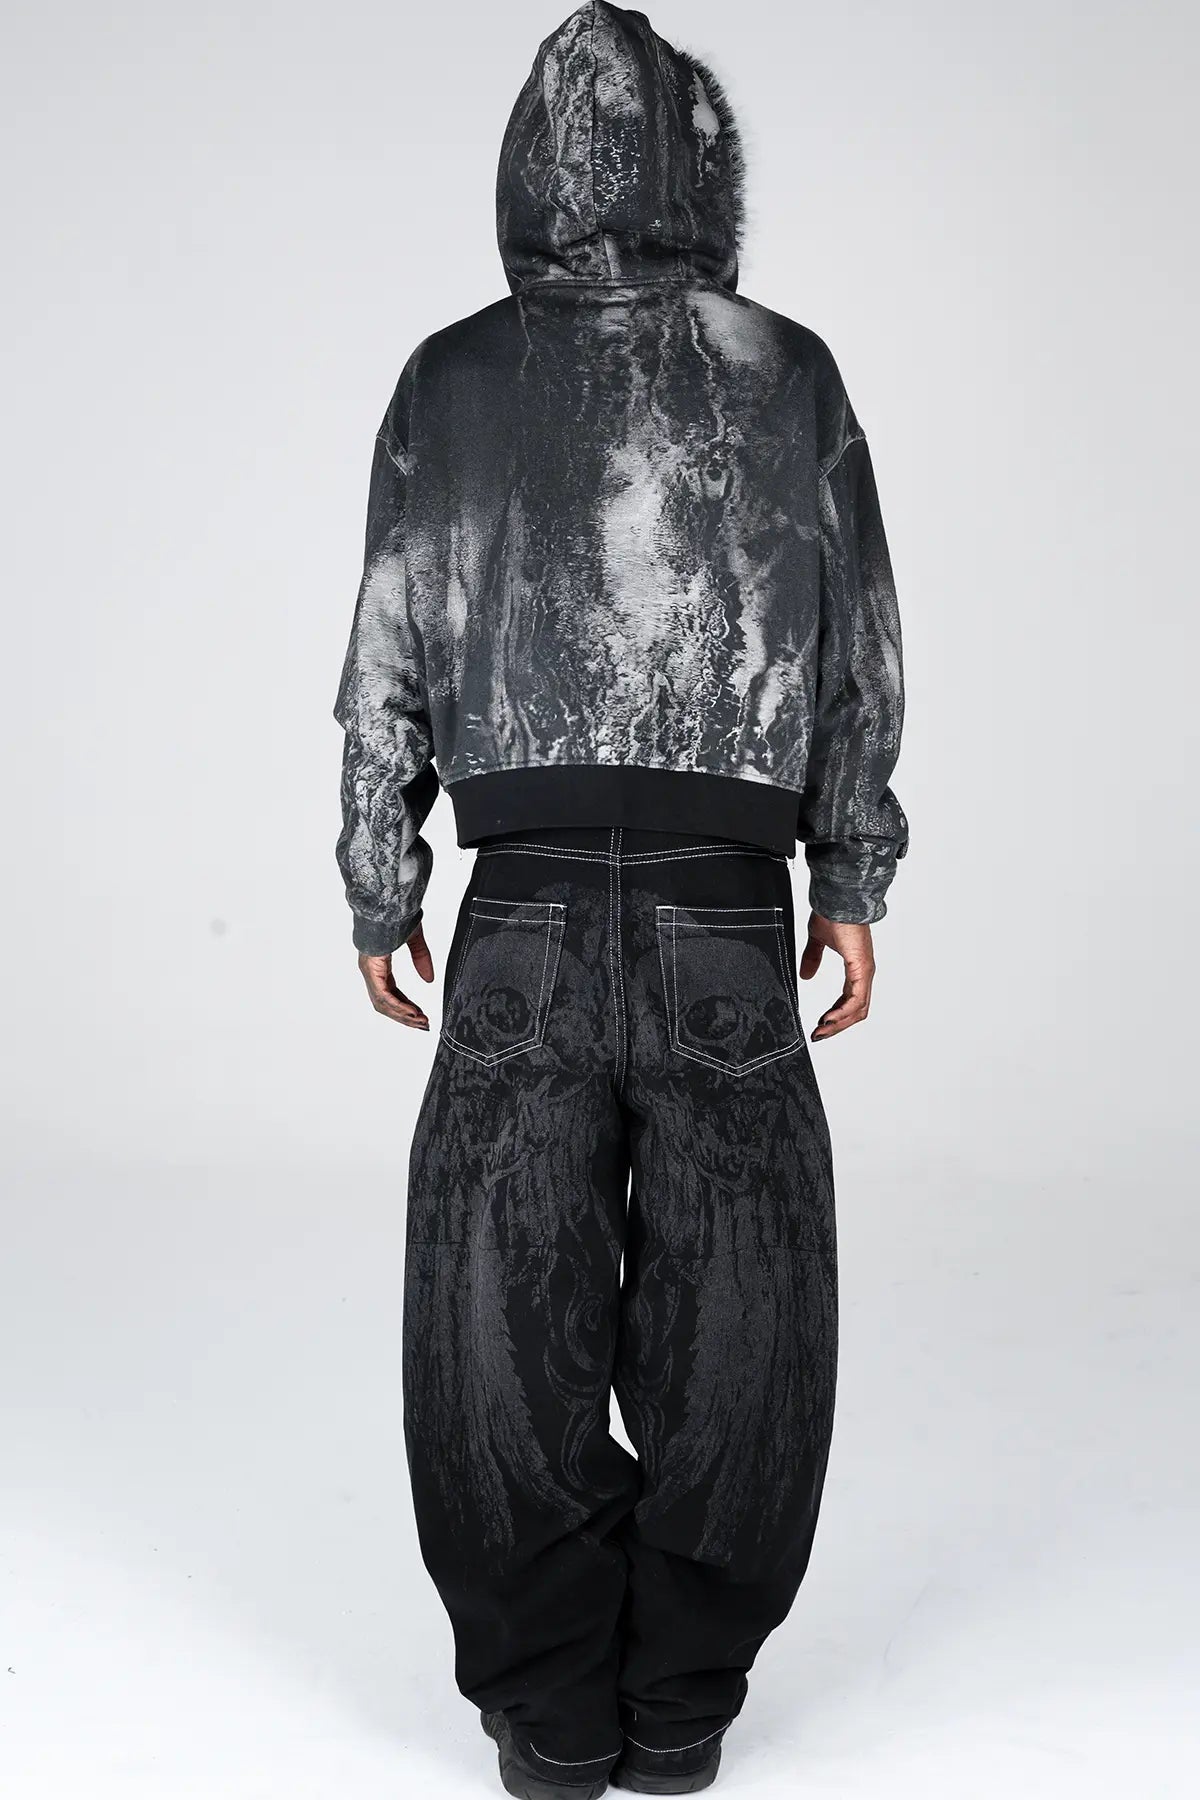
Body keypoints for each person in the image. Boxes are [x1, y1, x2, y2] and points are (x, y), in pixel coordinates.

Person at [334, 5, 907, 1795]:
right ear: (700, 163)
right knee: (749, 1318)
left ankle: (551, 1712)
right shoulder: (785, 367)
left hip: (516, 916)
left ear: (525, 165)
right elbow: (856, 647)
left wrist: (381, 882)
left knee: (490, 1325)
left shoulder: (447, 376)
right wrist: (849, 872)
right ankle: (681, 1709)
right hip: (725, 912)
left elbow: (385, 658)